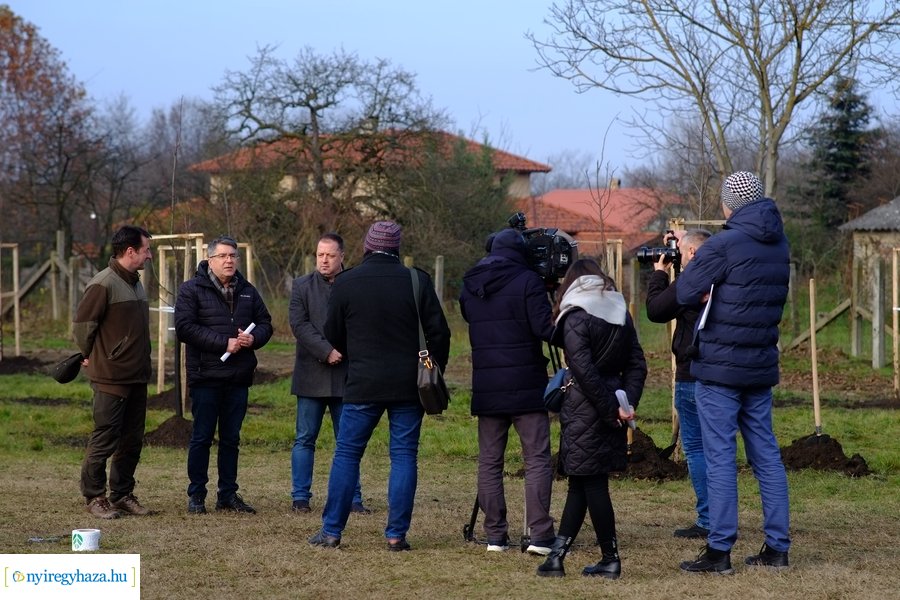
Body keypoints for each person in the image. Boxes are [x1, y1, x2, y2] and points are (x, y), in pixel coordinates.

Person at [308, 221, 450, 551]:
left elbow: (332, 334)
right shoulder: (417, 280)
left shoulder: (346, 282)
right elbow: (440, 333)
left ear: (367, 247)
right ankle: (396, 535)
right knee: (403, 456)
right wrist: (431, 367)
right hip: (409, 386)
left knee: (346, 454)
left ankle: (331, 532)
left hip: (362, 383)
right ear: (397, 248)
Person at [676, 171, 791, 574]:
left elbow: (685, 292)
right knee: (767, 456)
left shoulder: (723, 244)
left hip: (720, 368)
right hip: (760, 364)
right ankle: (777, 547)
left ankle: (719, 549)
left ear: (729, 204)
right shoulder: (779, 244)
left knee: (720, 456)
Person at [536, 258, 647, 578]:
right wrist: (624, 402)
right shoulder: (620, 313)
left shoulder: (574, 317)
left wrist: (610, 409)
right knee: (582, 482)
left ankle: (610, 559)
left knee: (592, 483)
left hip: (585, 407)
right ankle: (556, 558)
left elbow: (583, 371)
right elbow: (638, 364)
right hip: (609, 403)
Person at [458, 227, 557, 555]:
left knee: (489, 461)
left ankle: (495, 536)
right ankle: (540, 535)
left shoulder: (470, 285)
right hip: (527, 385)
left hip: (487, 387)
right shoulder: (528, 282)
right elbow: (546, 330)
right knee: (537, 458)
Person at [175, 235, 274, 515]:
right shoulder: (191, 290)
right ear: (210, 260)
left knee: (231, 438)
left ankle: (227, 494)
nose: (230, 260)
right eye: (223, 256)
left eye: (233, 256)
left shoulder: (247, 290)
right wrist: (224, 342)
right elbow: (184, 328)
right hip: (206, 376)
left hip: (238, 377)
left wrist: (252, 339)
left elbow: (266, 323)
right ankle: (196, 495)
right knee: (202, 437)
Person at [73, 225, 154, 519]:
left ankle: (122, 494)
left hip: (137, 375)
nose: (149, 255)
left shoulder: (135, 282)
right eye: (146, 250)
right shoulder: (103, 283)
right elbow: (83, 327)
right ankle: (95, 496)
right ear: (130, 251)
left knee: (132, 440)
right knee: (105, 438)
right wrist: (90, 355)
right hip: (111, 377)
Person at [289, 232, 369, 515]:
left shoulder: (357, 284)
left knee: (348, 441)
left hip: (347, 374)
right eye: (320, 255)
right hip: (311, 374)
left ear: (342, 257)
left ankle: (353, 498)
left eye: (330, 255)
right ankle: (300, 497)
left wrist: (343, 351)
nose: (323, 260)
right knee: (304, 438)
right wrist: (326, 351)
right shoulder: (301, 286)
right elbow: (299, 326)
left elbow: (362, 323)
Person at [646, 229, 712, 539]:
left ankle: (709, 519)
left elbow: (656, 310)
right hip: (721, 374)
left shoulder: (690, 282)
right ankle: (723, 516)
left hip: (690, 373)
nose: (678, 258)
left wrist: (660, 275)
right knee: (719, 449)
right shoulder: (726, 276)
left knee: (697, 449)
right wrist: (686, 239)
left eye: (683, 253)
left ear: (693, 255)